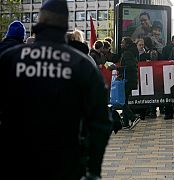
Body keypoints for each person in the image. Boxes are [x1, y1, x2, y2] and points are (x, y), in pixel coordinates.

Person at [0, 0, 113, 180]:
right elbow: (100, 122)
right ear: (65, 25)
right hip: (65, 164)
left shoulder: (11, 59)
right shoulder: (82, 65)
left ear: (38, 21)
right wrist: (93, 170)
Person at [109, 37, 139, 129]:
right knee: (124, 100)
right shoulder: (130, 52)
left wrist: (116, 68)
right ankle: (126, 123)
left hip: (127, 80)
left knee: (122, 101)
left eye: (122, 43)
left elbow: (130, 67)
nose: (121, 44)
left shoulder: (127, 53)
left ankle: (133, 117)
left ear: (127, 44)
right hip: (129, 79)